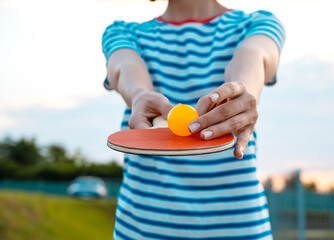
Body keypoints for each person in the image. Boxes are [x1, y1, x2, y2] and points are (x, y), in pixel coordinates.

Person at [102, 0, 285, 239]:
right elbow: (124, 67)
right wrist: (138, 95)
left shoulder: (257, 23)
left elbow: (254, 55)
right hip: (141, 230)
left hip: (240, 229)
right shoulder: (123, 32)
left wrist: (241, 89)